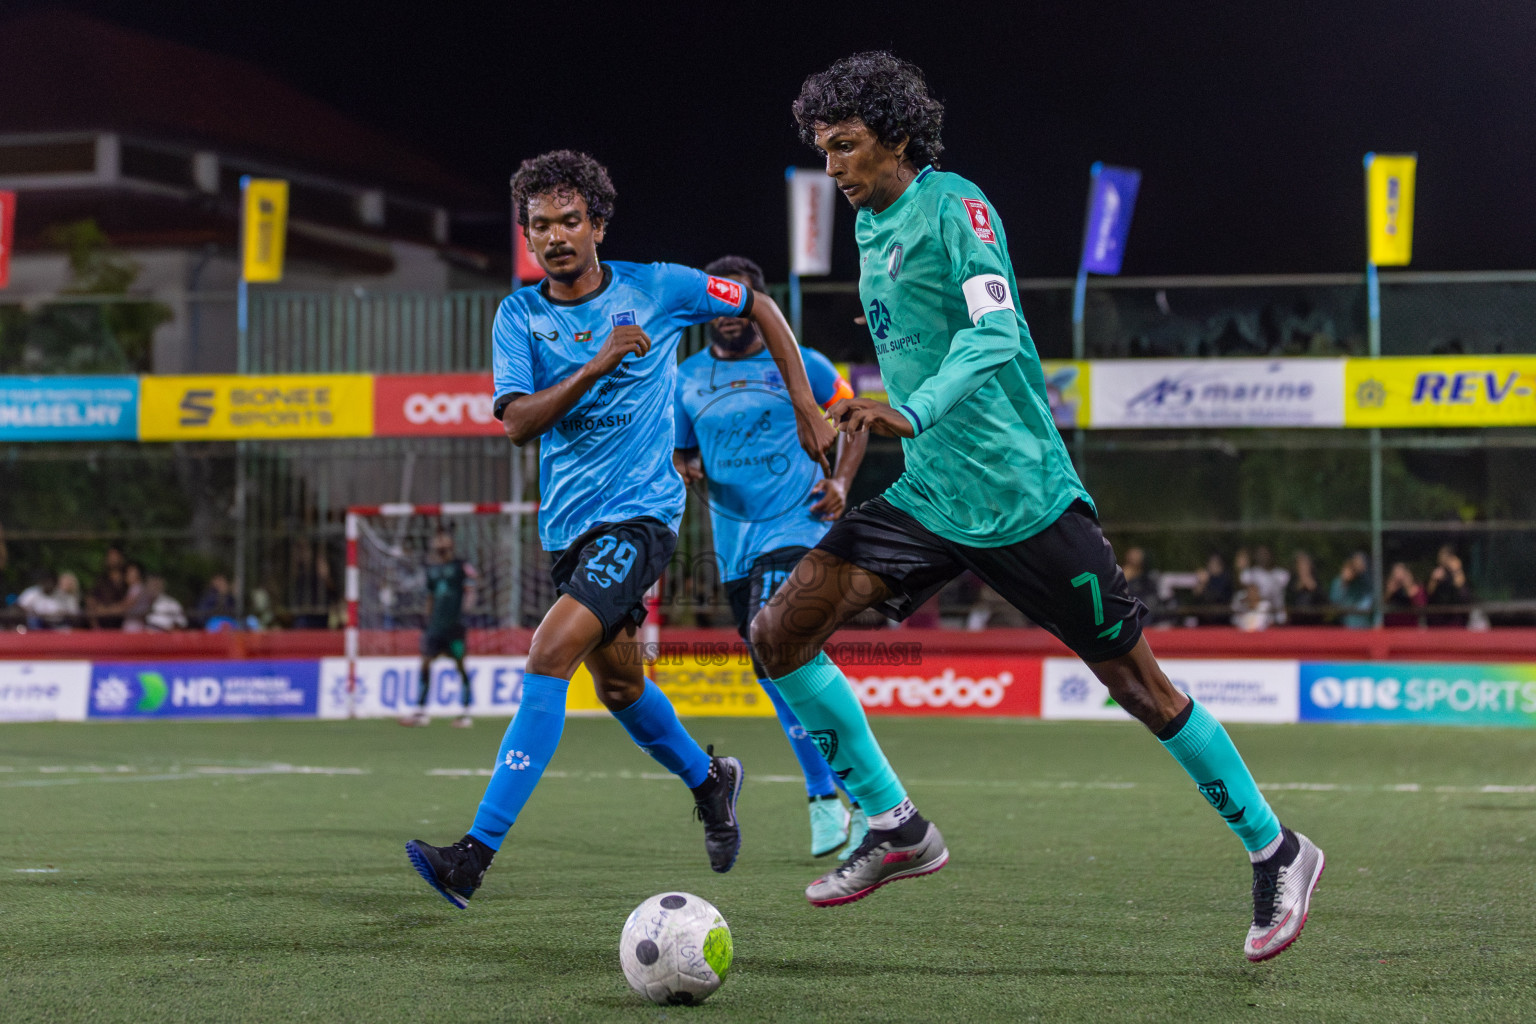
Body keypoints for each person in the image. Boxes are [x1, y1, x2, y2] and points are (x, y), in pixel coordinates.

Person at [747, 52, 1322, 962]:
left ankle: (1277, 848)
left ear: (896, 137)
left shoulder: (957, 205)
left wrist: (915, 409)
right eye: (823, 151)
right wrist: (857, 442)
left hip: (1023, 497)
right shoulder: (868, 226)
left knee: (1139, 686)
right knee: (778, 631)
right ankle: (897, 826)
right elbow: (909, 359)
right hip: (932, 494)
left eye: (847, 147)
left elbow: (995, 332)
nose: (834, 169)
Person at [405, 150, 836, 910]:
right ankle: (712, 781)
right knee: (621, 684)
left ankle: (472, 856)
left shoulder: (659, 286)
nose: (556, 237)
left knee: (548, 654)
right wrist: (599, 364)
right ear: (528, 239)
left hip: (640, 520)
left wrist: (804, 402)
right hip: (568, 529)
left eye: (570, 220)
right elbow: (517, 424)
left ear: (599, 224)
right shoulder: (521, 316)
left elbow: (758, 306)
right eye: (540, 226)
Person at [674, 254, 870, 860]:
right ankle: (860, 801)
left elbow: (856, 418)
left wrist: (839, 484)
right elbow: (684, 454)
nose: (729, 315)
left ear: (756, 304)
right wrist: (690, 472)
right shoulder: (686, 379)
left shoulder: (800, 363)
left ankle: (824, 799)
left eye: (741, 301)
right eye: (720, 302)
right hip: (734, 548)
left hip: (797, 530)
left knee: (776, 653)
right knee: (785, 674)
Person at [400, 529, 475, 729]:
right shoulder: (431, 570)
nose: (439, 543)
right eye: (437, 540)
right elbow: (430, 597)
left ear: (450, 542)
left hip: (455, 627)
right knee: (425, 663)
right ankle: (421, 711)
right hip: (435, 627)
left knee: (460, 666)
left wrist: (465, 612)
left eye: (442, 539)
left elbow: (470, 590)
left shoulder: (460, 566)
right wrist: (427, 620)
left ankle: (466, 711)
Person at [1241, 545, 1290, 624]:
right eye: (1260, 554)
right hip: (1257, 614)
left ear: (1271, 555)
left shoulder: (1282, 574)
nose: (1263, 557)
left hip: (1278, 613)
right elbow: (1245, 596)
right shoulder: (1250, 574)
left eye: (1265, 554)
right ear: (1256, 556)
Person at [1425, 545, 1472, 626]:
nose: (1443, 558)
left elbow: (1465, 596)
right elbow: (1428, 594)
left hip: (1456, 618)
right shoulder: (1436, 573)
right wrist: (1434, 580)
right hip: (1437, 618)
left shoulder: (1458, 573)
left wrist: (1457, 570)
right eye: (1441, 555)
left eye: (1446, 556)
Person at [1329, 552, 1374, 628]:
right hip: (1344, 627)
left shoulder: (1365, 584)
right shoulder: (1338, 582)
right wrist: (1344, 583)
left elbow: (1370, 602)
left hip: (1364, 627)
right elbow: (1333, 602)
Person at [1189, 552, 1234, 626]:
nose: (1210, 565)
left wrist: (1205, 584)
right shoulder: (1206, 578)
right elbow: (1196, 599)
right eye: (1210, 563)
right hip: (1204, 620)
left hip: (1220, 620)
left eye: (1213, 563)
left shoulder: (1226, 579)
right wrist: (1200, 585)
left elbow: (1218, 597)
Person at [1286, 551, 1325, 625]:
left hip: (1315, 621)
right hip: (1296, 621)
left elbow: (1325, 601)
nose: (1304, 568)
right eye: (1301, 565)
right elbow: (1288, 600)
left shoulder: (1316, 581)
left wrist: (1314, 588)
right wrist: (1297, 588)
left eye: (1306, 564)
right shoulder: (1292, 581)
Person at [1383, 562, 1427, 627]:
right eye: (1395, 573)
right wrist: (1389, 592)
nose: (1398, 577)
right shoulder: (1391, 587)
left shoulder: (1417, 589)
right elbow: (1381, 604)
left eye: (1401, 573)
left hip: (1411, 628)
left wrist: (1407, 587)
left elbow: (1420, 607)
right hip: (1391, 628)